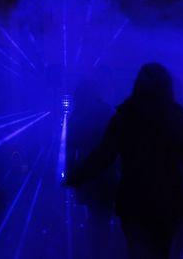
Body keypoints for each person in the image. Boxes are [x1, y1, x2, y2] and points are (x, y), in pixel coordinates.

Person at [65, 63, 183, 259]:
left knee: (137, 248)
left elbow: (105, 153)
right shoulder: (176, 115)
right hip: (167, 194)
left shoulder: (125, 115)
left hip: (135, 195)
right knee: (164, 248)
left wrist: (78, 175)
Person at [66, 80, 118, 259]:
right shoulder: (108, 112)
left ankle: (94, 253)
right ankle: (102, 252)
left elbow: (70, 149)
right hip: (108, 172)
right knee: (103, 217)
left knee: (94, 217)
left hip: (88, 173)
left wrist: (71, 175)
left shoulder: (77, 116)